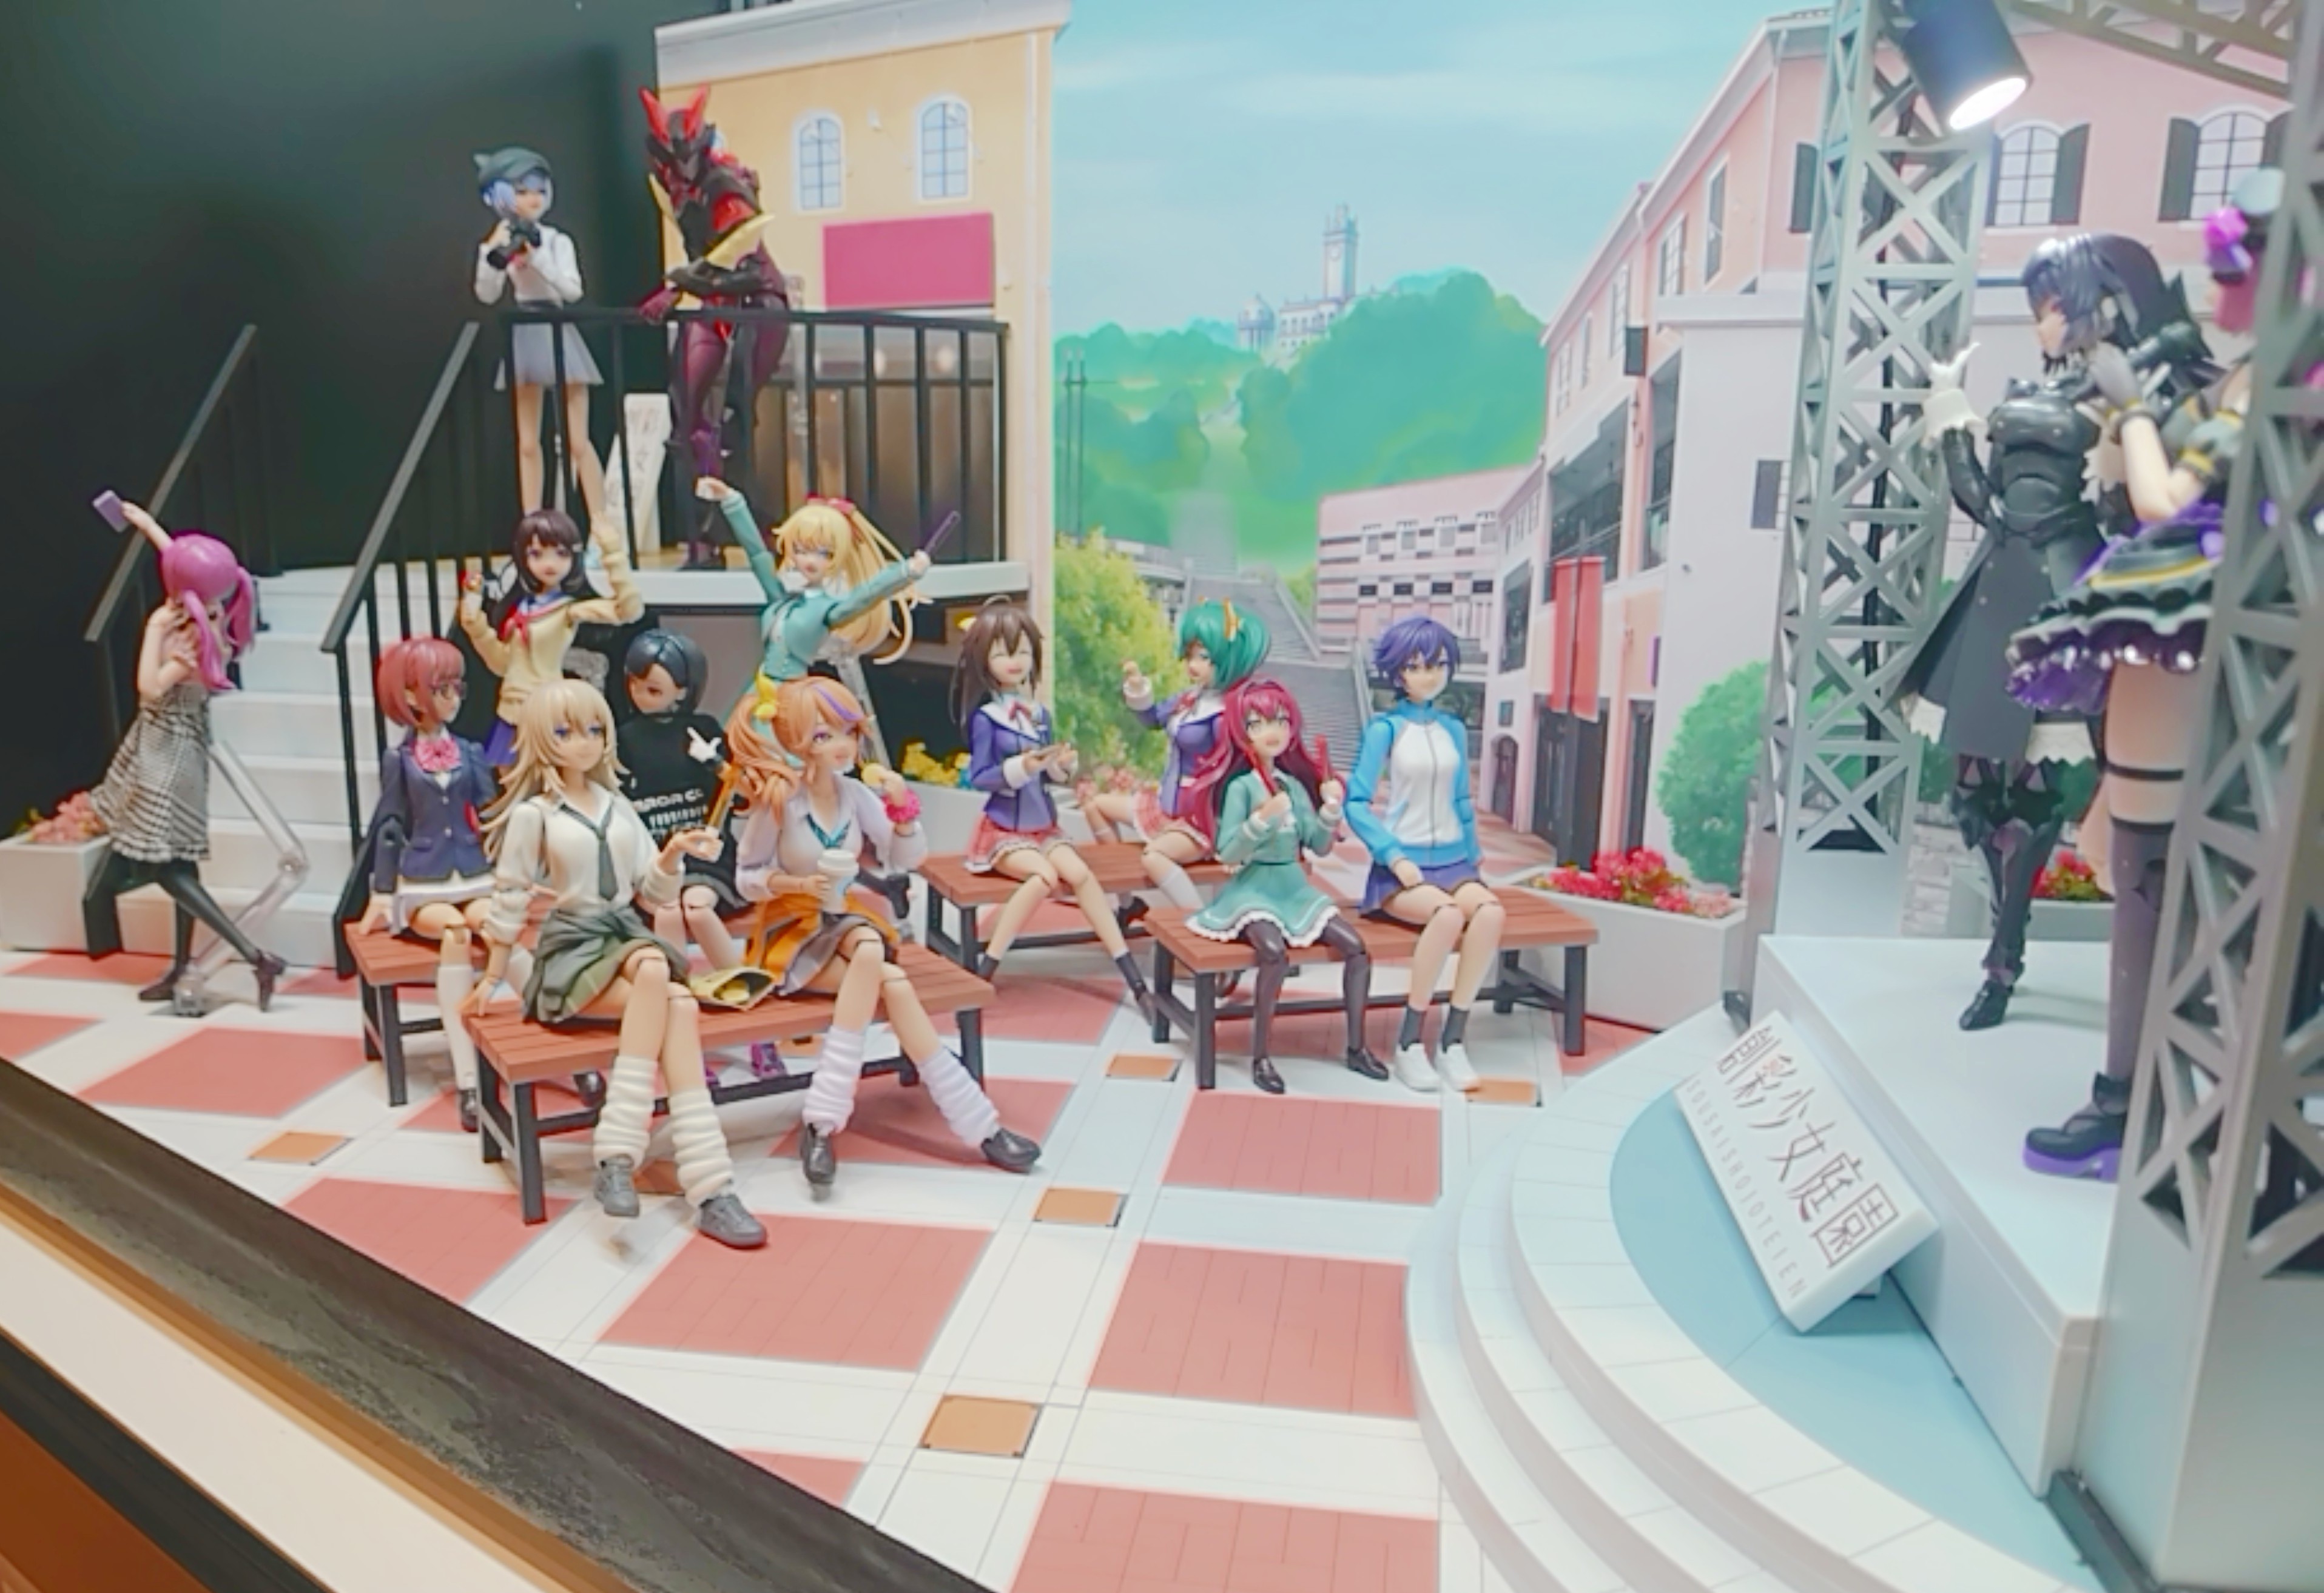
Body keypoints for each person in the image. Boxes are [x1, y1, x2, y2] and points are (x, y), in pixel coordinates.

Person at [2007, 170, 2274, 1181]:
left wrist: (2126, 414)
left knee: (2147, 867)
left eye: (2235, 267)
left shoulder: (2243, 385)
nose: (2217, 284)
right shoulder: (2234, 380)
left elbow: (2164, 501)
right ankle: (2146, 1091)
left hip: (2191, 619)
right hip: (2181, 621)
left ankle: (2133, 1096)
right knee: (2137, 855)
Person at [1911, 232, 2205, 1030]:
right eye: (2035, 305)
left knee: (2052, 797)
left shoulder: (2133, 393)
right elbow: (1986, 501)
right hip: (1996, 589)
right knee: (1974, 794)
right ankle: (2005, 936)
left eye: (2051, 303)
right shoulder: (2036, 390)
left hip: (2066, 591)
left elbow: (2141, 509)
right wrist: (1949, 414)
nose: (2040, 319)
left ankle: (2007, 959)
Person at [472, 679, 764, 1249]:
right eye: (565, 732)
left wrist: (673, 855)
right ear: (541, 738)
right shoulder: (534, 815)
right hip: (572, 951)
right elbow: (509, 896)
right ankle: (685, 1179)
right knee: (662, 980)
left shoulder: (618, 805)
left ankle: (657, 1171)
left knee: (675, 1000)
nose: (583, 742)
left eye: (594, 729)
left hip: (624, 936)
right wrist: (492, 974)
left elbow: (652, 894)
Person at [727, 676, 1040, 1189]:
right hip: (790, 929)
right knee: (882, 967)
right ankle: (979, 1127)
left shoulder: (854, 796)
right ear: (799, 741)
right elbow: (746, 877)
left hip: (842, 920)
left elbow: (904, 859)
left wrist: (902, 814)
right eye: (824, 735)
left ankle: (824, 1122)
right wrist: (796, 883)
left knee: (881, 968)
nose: (842, 745)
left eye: (848, 731)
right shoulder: (780, 800)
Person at [83, 502, 286, 1011]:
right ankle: (181, 966)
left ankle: (254, 956)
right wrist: (143, 522)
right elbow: (176, 558)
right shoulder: (209, 608)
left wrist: (155, 630)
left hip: (167, 754)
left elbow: (149, 688)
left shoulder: (195, 637)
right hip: (170, 747)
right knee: (181, 864)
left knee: (165, 868)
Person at [950, 602, 1157, 1019]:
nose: (1015, 662)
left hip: (1044, 826)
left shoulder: (1039, 716)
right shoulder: (986, 718)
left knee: (1081, 875)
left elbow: (1049, 777)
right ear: (984, 660)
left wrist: (1061, 767)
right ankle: (984, 972)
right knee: (1043, 877)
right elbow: (982, 777)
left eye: (1023, 652)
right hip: (1004, 830)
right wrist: (1021, 768)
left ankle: (1135, 981)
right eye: (1003, 653)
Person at [1181, 679, 1387, 1094]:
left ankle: (1356, 1047)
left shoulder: (1292, 787)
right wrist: (1261, 820)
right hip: (1253, 889)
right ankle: (1260, 1056)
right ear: (1242, 733)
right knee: (1273, 955)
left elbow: (1318, 845)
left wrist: (1330, 811)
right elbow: (1227, 851)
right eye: (1257, 724)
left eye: (1279, 721)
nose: (1271, 732)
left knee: (1357, 948)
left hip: (1294, 888)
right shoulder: (1241, 788)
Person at [352, 638, 524, 1132]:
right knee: (455, 933)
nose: (453, 698)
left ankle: (562, 1039)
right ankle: (469, 1080)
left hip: (473, 872)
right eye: (441, 688)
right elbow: (389, 826)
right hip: (424, 880)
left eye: (456, 687)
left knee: (499, 929)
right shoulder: (399, 759)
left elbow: (490, 814)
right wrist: (382, 892)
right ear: (410, 695)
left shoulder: (470, 753)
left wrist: (513, 868)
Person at [1344, 616, 1503, 1093]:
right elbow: (1356, 802)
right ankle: (1410, 1041)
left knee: (1490, 914)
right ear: (1397, 673)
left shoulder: (1452, 729)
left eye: (1436, 665)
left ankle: (1453, 1040)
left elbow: (1461, 799)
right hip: (1402, 869)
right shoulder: (1385, 730)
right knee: (1447, 915)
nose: (1428, 675)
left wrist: (1472, 853)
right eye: (1415, 667)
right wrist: (1392, 856)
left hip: (1454, 862)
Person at [1083, 598, 1271, 916]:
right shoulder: (1190, 699)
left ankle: (1199, 919)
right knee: (1095, 807)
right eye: (1190, 655)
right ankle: (1127, 904)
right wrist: (1138, 688)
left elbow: (1245, 770)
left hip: (1202, 821)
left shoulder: (1230, 713)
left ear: (1228, 658)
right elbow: (1152, 719)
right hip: (1168, 807)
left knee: (1154, 857)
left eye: (1204, 657)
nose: (1193, 665)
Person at [694, 477, 926, 707]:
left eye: (825, 553)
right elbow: (757, 554)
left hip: (795, 697)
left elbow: (865, 596)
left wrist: (906, 572)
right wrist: (731, 501)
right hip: (763, 691)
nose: (810, 561)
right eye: (801, 550)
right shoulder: (781, 600)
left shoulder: (826, 610)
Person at [472, 146, 604, 520]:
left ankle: (601, 522)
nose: (533, 198)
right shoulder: (501, 238)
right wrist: (492, 255)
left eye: (539, 190)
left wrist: (538, 258)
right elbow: (487, 295)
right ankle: (531, 522)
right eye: (522, 190)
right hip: (526, 331)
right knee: (528, 443)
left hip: (557, 328)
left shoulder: (557, 241)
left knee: (578, 440)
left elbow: (572, 291)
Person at [459, 508, 643, 764]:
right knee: (509, 780)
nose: (549, 564)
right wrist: (476, 624)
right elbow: (502, 664)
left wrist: (612, 554)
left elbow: (629, 610)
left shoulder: (567, 610)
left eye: (561, 554)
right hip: (512, 712)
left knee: (553, 778)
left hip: (548, 710)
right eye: (536, 554)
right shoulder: (521, 609)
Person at [618, 628, 743, 971]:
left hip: (705, 852)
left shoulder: (703, 731)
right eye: (635, 686)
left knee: (697, 907)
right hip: (655, 855)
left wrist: (712, 762)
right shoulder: (625, 738)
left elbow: (736, 788)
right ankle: (677, 982)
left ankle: (737, 977)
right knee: (667, 908)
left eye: (653, 689)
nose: (641, 695)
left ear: (683, 690)